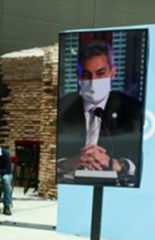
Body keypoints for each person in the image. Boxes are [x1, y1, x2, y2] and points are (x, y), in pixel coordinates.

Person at [56, 40, 143, 184]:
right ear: (78, 76)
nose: (93, 81)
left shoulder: (133, 109)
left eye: (100, 73)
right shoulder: (63, 107)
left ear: (113, 72)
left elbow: (143, 160)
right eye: (86, 75)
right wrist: (68, 163)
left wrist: (115, 163)